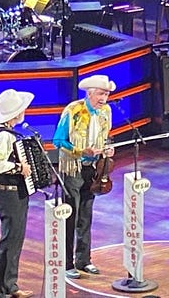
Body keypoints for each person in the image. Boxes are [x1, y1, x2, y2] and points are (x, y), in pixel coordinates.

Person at [53, 74, 116, 278]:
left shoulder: (106, 111)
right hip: (73, 167)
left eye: (106, 94)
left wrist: (107, 149)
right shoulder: (73, 110)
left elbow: (105, 137)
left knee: (86, 216)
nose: (104, 98)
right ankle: (66, 263)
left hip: (92, 169)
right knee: (71, 215)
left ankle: (84, 259)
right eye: (100, 93)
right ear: (89, 93)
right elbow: (58, 141)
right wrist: (81, 151)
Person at [0, 89, 35, 298]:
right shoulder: (4, 135)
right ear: (15, 114)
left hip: (16, 193)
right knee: (9, 242)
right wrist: (17, 168)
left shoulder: (6, 132)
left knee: (14, 241)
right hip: (9, 194)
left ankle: (9, 286)